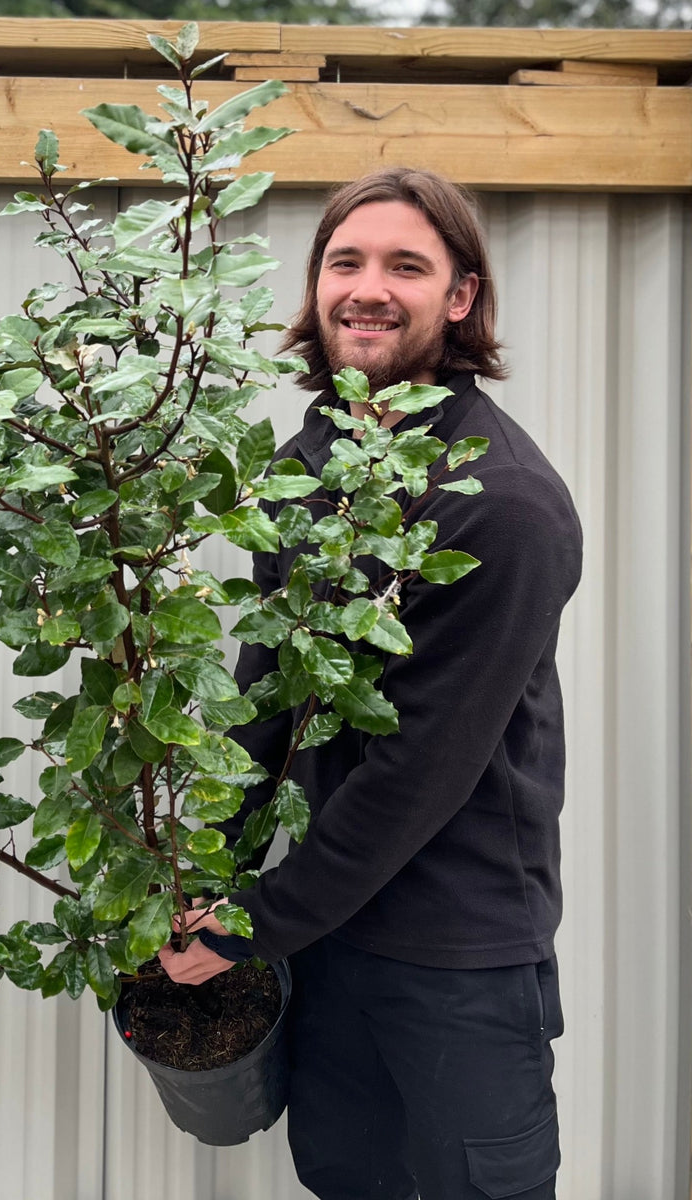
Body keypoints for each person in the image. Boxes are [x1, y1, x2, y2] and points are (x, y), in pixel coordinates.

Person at [158, 167, 583, 1200]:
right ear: (314, 290)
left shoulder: (504, 504)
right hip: (332, 938)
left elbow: (417, 773)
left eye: (407, 265)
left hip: (458, 955)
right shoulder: (312, 464)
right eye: (344, 261)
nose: (367, 287)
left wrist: (248, 924)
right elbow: (268, 697)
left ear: (460, 297)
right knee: (346, 1178)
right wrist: (209, 867)